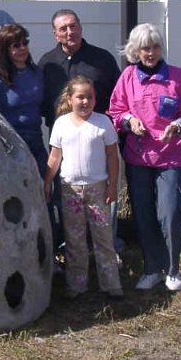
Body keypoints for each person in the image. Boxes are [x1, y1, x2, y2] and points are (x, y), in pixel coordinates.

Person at [109, 23, 181, 292]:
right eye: (145, 48)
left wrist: (178, 126)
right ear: (135, 51)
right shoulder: (127, 77)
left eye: (155, 47)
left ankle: (172, 269)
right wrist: (129, 120)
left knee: (169, 213)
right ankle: (151, 269)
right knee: (144, 215)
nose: (150, 53)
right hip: (138, 158)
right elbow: (116, 110)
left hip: (170, 158)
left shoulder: (177, 77)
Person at [38, 9, 122, 258]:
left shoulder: (102, 59)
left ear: (81, 28)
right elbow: (43, 103)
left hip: (98, 143)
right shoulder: (47, 63)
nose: (69, 32)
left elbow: (118, 97)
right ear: (55, 34)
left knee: (103, 201)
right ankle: (72, 252)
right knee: (66, 200)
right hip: (63, 143)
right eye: (63, 29)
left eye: (73, 26)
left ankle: (106, 250)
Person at [44, 75, 122, 299]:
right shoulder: (61, 124)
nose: (85, 102)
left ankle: (111, 283)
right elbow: (55, 156)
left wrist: (112, 185)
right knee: (75, 238)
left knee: (103, 238)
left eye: (90, 97)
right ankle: (77, 285)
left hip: (98, 187)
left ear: (95, 99)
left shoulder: (103, 122)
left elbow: (112, 156)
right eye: (80, 97)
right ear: (70, 99)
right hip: (70, 189)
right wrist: (48, 181)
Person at [0, 24, 48, 177]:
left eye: (25, 43)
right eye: (16, 45)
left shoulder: (37, 73)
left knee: (41, 189)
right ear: (5, 50)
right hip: (10, 143)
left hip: (35, 141)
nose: (22, 48)